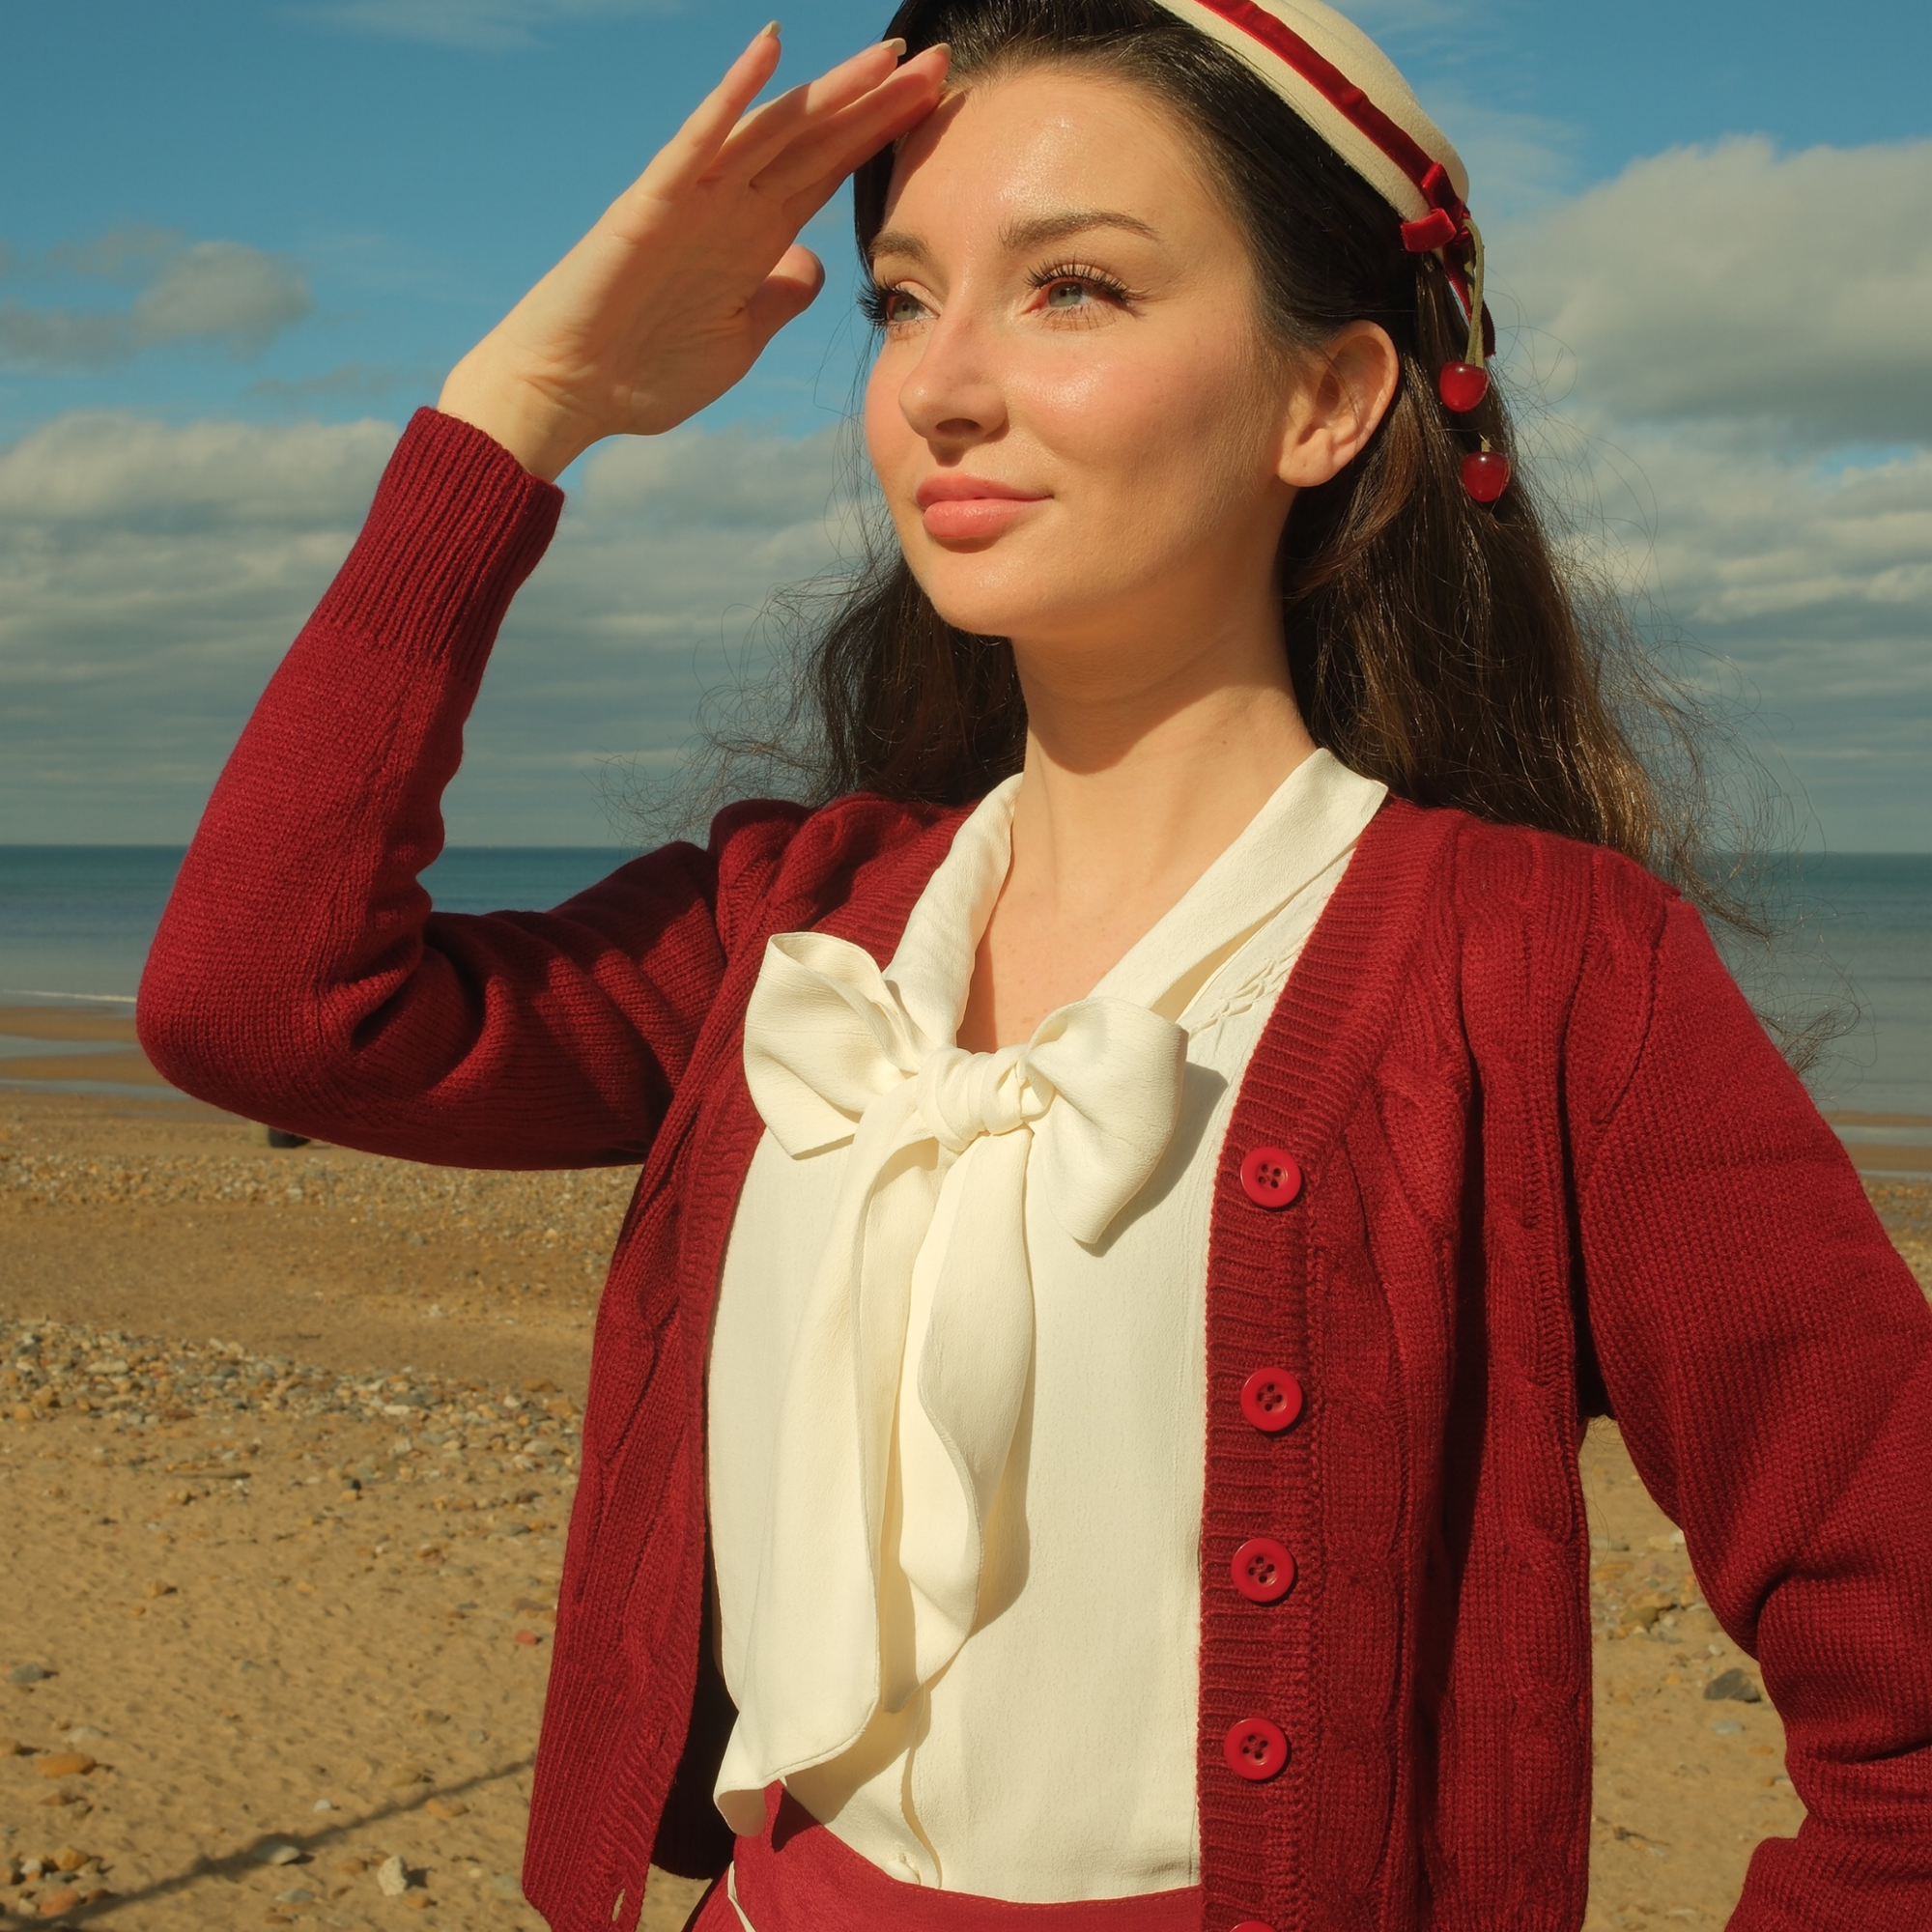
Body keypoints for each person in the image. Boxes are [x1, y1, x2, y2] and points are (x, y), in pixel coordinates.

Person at [137, 2, 1932, 1928]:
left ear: (1323, 401)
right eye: (902, 301)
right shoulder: (793, 925)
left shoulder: (1544, 971)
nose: (941, 387)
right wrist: (527, 404)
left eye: (1071, 287)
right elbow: (265, 1000)